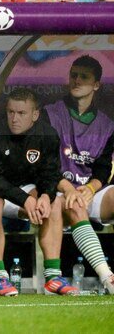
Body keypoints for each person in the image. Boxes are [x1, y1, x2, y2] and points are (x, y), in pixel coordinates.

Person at [0, 89, 74, 296]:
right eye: (11, 112)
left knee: (54, 203)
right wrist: (25, 200)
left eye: (21, 113)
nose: (14, 119)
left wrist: (46, 195)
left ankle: (53, 277)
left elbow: (50, 174)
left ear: (35, 115)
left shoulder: (47, 135)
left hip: (26, 193)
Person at [42, 56, 114, 294]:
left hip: (86, 194)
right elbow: (46, 163)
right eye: (74, 75)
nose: (76, 80)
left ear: (96, 85)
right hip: (56, 190)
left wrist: (91, 188)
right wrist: (68, 188)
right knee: (69, 204)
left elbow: (104, 167)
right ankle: (107, 278)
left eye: (84, 77)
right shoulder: (50, 114)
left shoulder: (107, 125)